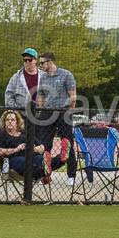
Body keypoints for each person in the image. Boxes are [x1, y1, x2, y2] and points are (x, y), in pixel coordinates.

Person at [32, 52, 78, 186]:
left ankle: (71, 175)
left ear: (50, 61)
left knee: (67, 143)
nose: (40, 65)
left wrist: (69, 111)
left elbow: (73, 96)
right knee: (44, 144)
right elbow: (40, 94)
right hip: (48, 112)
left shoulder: (66, 74)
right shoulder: (43, 77)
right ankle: (44, 174)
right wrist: (40, 109)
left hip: (63, 112)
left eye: (42, 63)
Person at [0, 109, 48, 178]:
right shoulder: (0, 135)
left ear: (17, 122)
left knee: (39, 158)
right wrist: (16, 149)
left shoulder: (25, 134)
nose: (10, 121)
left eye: (12, 120)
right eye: (7, 120)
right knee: (26, 161)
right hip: (11, 162)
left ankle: (43, 169)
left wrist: (32, 148)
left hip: (31, 158)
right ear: (4, 122)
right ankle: (42, 172)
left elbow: (42, 147)